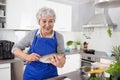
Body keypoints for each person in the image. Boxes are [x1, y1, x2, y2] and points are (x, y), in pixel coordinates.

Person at [12, 7, 66, 80]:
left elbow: (62, 58)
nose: (47, 25)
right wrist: (26, 57)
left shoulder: (59, 37)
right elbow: (15, 48)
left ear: (54, 22)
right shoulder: (32, 34)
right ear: (39, 22)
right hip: (31, 75)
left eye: (51, 21)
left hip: (51, 76)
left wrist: (59, 64)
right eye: (44, 21)